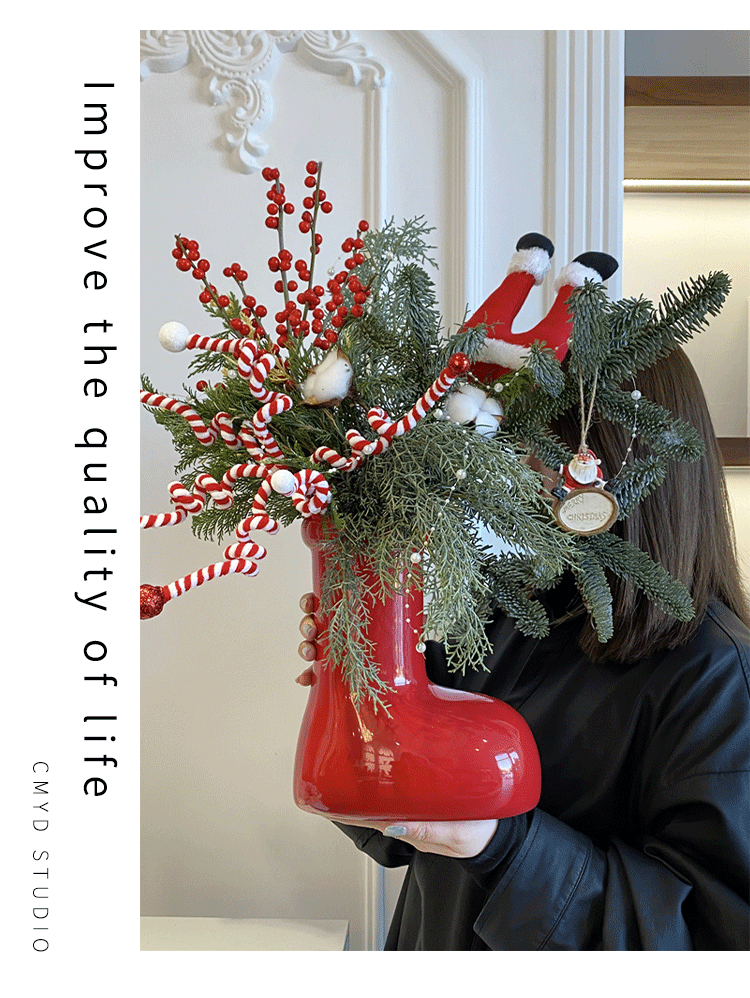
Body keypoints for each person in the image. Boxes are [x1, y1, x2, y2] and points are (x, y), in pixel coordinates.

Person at [296, 347, 750, 950]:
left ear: (616, 463)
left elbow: (707, 942)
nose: (521, 477)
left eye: (544, 452)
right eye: (519, 448)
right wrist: (362, 689)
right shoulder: (515, 614)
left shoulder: (719, 678)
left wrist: (499, 843)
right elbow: (397, 819)